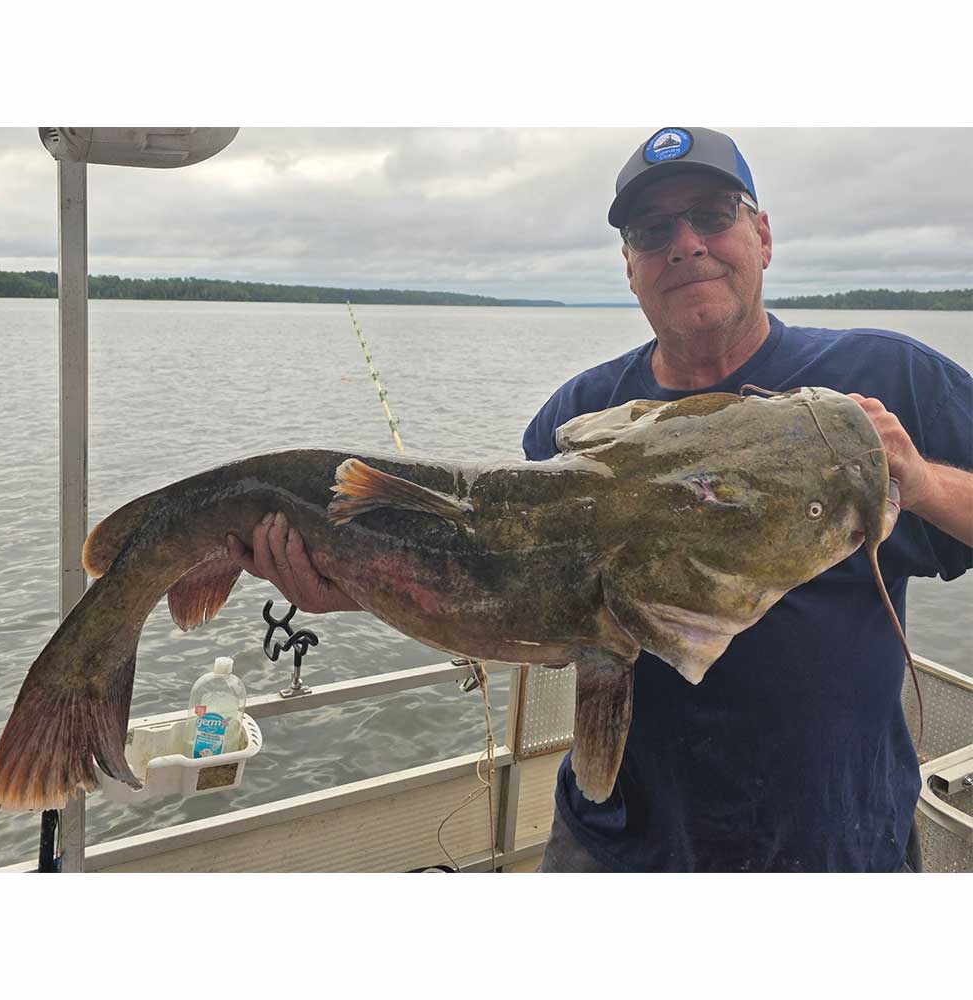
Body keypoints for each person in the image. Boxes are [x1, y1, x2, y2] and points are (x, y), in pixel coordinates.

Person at [227, 127, 973, 872]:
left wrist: (920, 480)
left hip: (837, 845)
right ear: (630, 266)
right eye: (653, 230)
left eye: (712, 215)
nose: (685, 244)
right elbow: (516, 600)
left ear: (763, 236)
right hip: (614, 843)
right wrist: (348, 586)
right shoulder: (577, 416)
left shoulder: (888, 376)